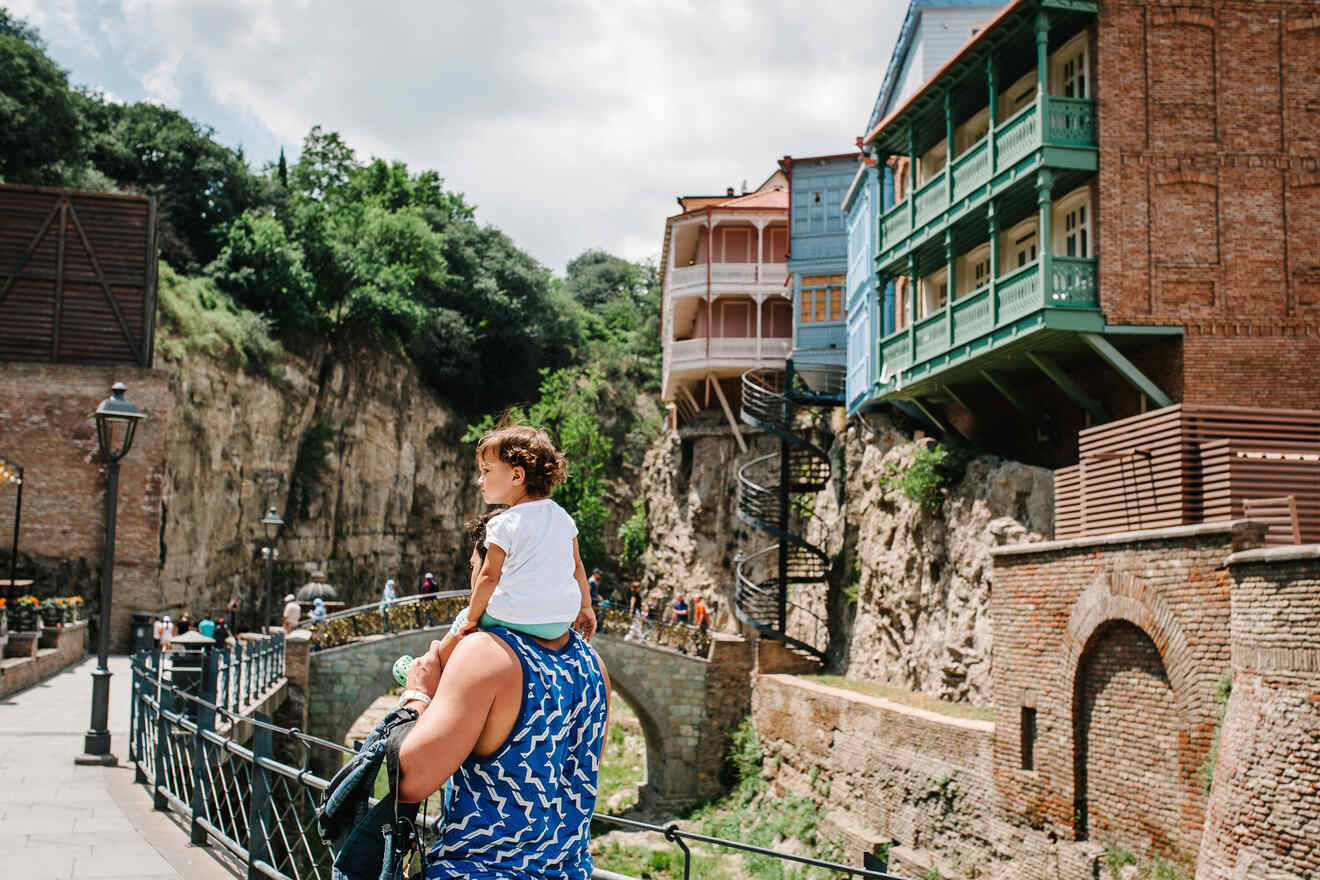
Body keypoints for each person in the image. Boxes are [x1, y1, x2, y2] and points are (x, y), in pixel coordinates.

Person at [396, 519, 611, 880]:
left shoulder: (485, 655)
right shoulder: (593, 664)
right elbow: (568, 778)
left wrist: (418, 694)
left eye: (474, 569)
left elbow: (407, 781)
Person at [433, 425, 596, 668]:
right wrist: (586, 607)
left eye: (486, 471)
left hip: (513, 617)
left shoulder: (503, 523)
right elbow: (577, 567)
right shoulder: (563, 517)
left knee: (462, 618)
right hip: (561, 620)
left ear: (517, 476)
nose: (480, 480)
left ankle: (435, 664)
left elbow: (488, 576)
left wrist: (472, 617)